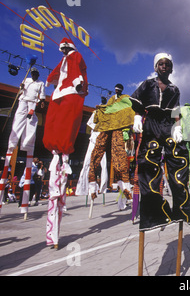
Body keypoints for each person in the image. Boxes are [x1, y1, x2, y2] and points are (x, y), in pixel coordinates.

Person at [130, 53, 190, 231]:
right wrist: (137, 117)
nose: (164, 66)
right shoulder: (148, 84)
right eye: (161, 64)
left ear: (171, 68)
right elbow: (138, 103)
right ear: (156, 67)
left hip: (169, 125)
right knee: (148, 165)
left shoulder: (175, 89)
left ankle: (181, 211)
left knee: (178, 163)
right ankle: (154, 214)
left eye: (167, 64)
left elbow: (176, 111)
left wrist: (179, 127)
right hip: (152, 124)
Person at [43, 37, 88, 249]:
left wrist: (78, 81)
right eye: (61, 48)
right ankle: (56, 151)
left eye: (64, 47)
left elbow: (79, 67)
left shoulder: (75, 56)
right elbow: (55, 73)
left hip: (70, 93)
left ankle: (61, 152)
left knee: (64, 130)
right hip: (58, 95)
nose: (62, 50)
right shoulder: (63, 61)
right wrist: (50, 80)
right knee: (53, 127)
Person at [0, 67, 45, 214]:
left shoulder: (40, 83)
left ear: (38, 75)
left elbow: (41, 95)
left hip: (32, 102)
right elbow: (21, 90)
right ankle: (13, 142)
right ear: (30, 73)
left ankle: (27, 144)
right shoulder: (26, 80)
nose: (33, 75)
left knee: (30, 123)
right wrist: (21, 88)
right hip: (23, 101)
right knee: (17, 122)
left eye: (35, 74)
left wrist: (42, 101)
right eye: (32, 73)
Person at [88, 83, 135, 201]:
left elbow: (129, 109)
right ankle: (93, 185)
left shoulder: (125, 99)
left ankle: (125, 186)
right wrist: (100, 109)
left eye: (119, 89)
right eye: (116, 89)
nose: (117, 90)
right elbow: (107, 112)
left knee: (120, 156)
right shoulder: (110, 100)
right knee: (96, 152)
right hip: (107, 127)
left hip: (120, 130)